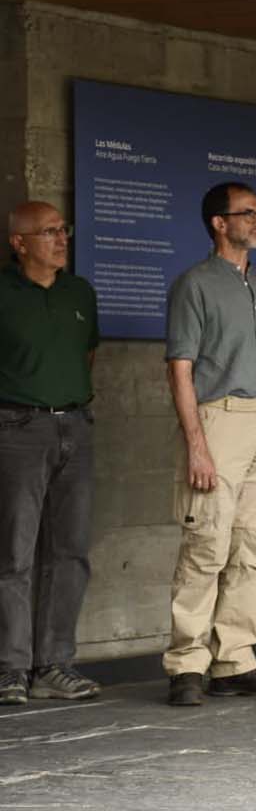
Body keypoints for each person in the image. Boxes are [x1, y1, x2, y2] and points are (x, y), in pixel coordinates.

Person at [163, 182, 256, 706]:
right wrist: (196, 445)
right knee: (207, 545)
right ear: (219, 223)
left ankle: (234, 660)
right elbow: (180, 369)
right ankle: (186, 665)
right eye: (247, 213)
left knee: (254, 546)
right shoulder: (194, 284)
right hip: (218, 420)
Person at [0, 202, 101, 705]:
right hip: (17, 428)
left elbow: (86, 356)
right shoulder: (4, 292)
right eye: (49, 232)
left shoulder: (80, 293)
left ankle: (54, 664)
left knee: (71, 552)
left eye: (65, 229)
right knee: (13, 553)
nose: (62, 239)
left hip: (75, 428)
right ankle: (10, 668)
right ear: (19, 243)